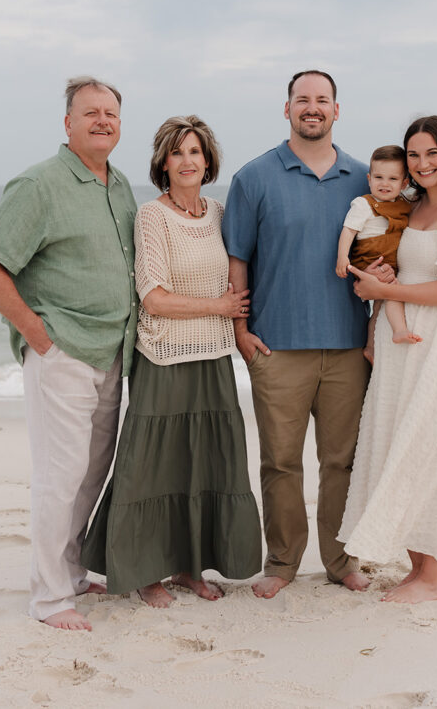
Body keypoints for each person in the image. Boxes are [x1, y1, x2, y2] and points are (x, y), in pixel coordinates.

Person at [0, 76, 136, 631]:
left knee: (91, 474)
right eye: (90, 113)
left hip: (113, 353)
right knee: (60, 476)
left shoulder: (121, 184)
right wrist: (37, 333)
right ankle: (48, 597)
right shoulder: (39, 184)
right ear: (68, 123)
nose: (102, 120)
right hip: (62, 351)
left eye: (110, 112)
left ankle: (72, 572)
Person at [81, 116, 262, 608]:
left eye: (196, 153)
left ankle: (190, 568)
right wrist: (218, 306)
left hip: (215, 355)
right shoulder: (152, 217)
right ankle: (146, 573)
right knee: (153, 469)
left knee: (205, 465)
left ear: (208, 162)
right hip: (164, 356)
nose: (187, 161)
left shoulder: (221, 214)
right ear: (164, 162)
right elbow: (154, 298)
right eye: (178, 153)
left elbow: (251, 266)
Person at [223, 70, 389, 599]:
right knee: (280, 463)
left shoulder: (367, 179)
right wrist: (240, 332)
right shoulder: (254, 178)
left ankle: (342, 562)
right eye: (302, 100)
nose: (311, 108)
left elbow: (389, 256)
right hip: (277, 348)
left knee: (342, 462)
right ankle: (283, 563)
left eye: (322, 100)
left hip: (348, 349)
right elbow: (237, 260)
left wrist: (381, 304)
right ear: (287, 109)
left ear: (337, 111)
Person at [337, 115, 437, 604]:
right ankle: (415, 569)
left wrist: (386, 288)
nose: (422, 163)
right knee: (393, 448)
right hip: (394, 343)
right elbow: (391, 267)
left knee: (430, 454)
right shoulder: (409, 205)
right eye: (413, 155)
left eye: (431, 153)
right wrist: (376, 303)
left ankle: (432, 578)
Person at [335, 145, 420, 358]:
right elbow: (349, 231)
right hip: (369, 259)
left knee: (382, 304)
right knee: (392, 293)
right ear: (369, 178)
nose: (384, 183)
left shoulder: (403, 205)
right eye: (379, 177)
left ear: (404, 183)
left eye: (392, 179)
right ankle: (399, 330)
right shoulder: (364, 204)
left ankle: (371, 348)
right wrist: (342, 257)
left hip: (389, 261)